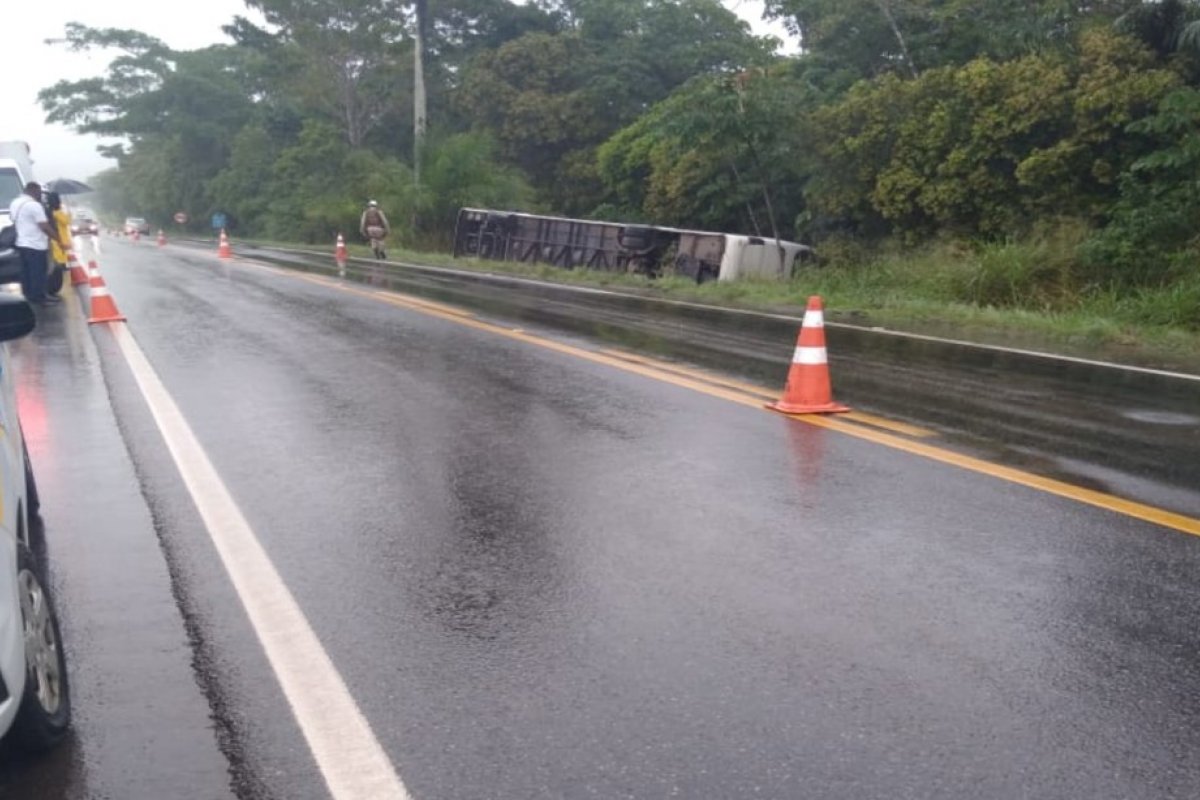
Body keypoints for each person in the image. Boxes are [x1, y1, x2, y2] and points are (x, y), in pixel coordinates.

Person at [7, 182, 61, 305]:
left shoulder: (15, 203)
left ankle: (29, 296)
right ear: (34, 191)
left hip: (21, 243)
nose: (40, 195)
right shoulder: (34, 205)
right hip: (35, 244)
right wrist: (58, 239)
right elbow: (44, 226)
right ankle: (39, 297)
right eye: (39, 192)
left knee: (27, 272)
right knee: (38, 272)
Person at [44, 192, 72, 298]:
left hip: (54, 240)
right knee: (59, 264)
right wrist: (68, 211)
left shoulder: (49, 212)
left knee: (58, 263)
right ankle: (55, 287)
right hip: (59, 240)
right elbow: (67, 221)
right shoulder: (57, 212)